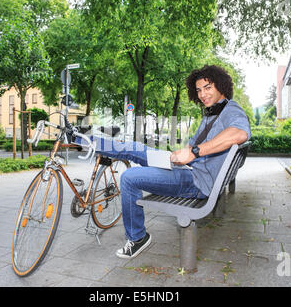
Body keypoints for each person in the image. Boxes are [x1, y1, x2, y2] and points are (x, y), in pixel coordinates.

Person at [75, 65, 251, 259]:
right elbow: (198, 146)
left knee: (129, 178)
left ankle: (138, 237)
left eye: (208, 87)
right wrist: (178, 155)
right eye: (199, 90)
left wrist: (193, 152)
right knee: (134, 147)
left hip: (196, 181)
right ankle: (81, 140)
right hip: (188, 169)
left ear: (222, 86)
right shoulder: (213, 113)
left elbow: (239, 133)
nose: (202, 94)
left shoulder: (231, 110)